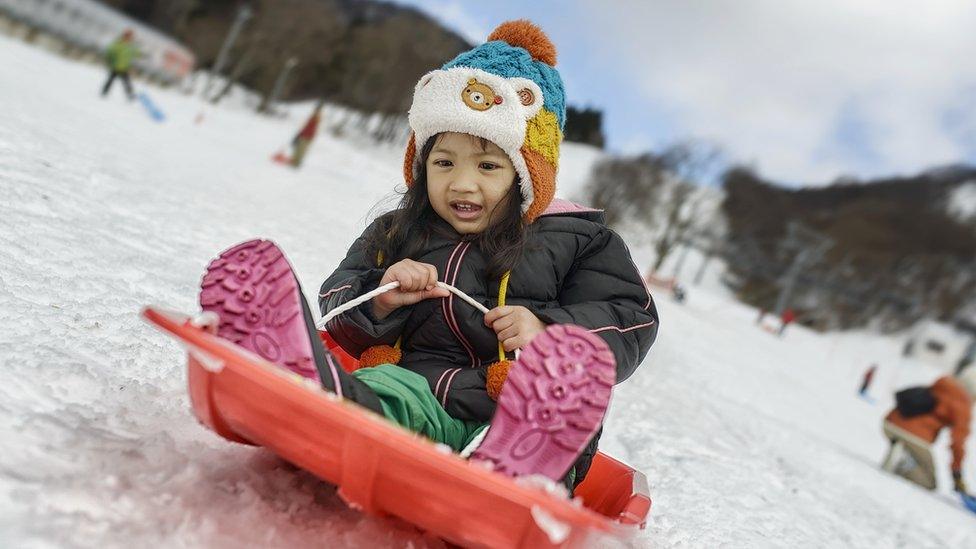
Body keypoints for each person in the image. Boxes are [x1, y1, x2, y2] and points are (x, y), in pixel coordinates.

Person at [198, 21, 658, 491]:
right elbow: (340, 304)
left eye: (488, 165)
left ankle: (514, 471)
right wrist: (381, 298)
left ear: (527, 174)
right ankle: (317, 396)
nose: (462, 183)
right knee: (389, 393)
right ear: (421, 165)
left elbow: (631, 319)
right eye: (444, 162)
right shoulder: (397, 231)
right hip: (417, 391)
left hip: (515, 406)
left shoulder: (578, 240)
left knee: (529, 422)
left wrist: (547, 331)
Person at [880, 368, 976, 494]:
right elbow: (958, 442)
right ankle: (903, 461)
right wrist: (957, 473)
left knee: (916, 456)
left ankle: (902, 454)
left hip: (890, 423)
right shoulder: (963, 404)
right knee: (929, 482)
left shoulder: (944, 384)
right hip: (915, 436)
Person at [101, 30, 138, 100]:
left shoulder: (131, 46)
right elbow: (110, 51)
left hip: (124, 67)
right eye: (128, 36)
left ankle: (130, 95)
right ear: (124, 36)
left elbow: (135, 53)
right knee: (110, 80)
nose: (129, 38)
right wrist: (109, 60)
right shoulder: (118, 44)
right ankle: (104, 92)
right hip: (116, 66)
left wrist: (143, 55)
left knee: (127, 82)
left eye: (130, 37)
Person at [290, 101, 324, 168]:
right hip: (305, 134)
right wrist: (299, 133)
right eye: (316, 109)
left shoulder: (317, 117)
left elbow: (311, 126)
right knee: (298, 148)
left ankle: (296, 163)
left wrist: (302, 134)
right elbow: (306, 126)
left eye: (317, 109)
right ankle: (294, 161)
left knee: (301, 149)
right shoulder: (314, 116)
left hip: (307, 135)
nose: (315, 110)